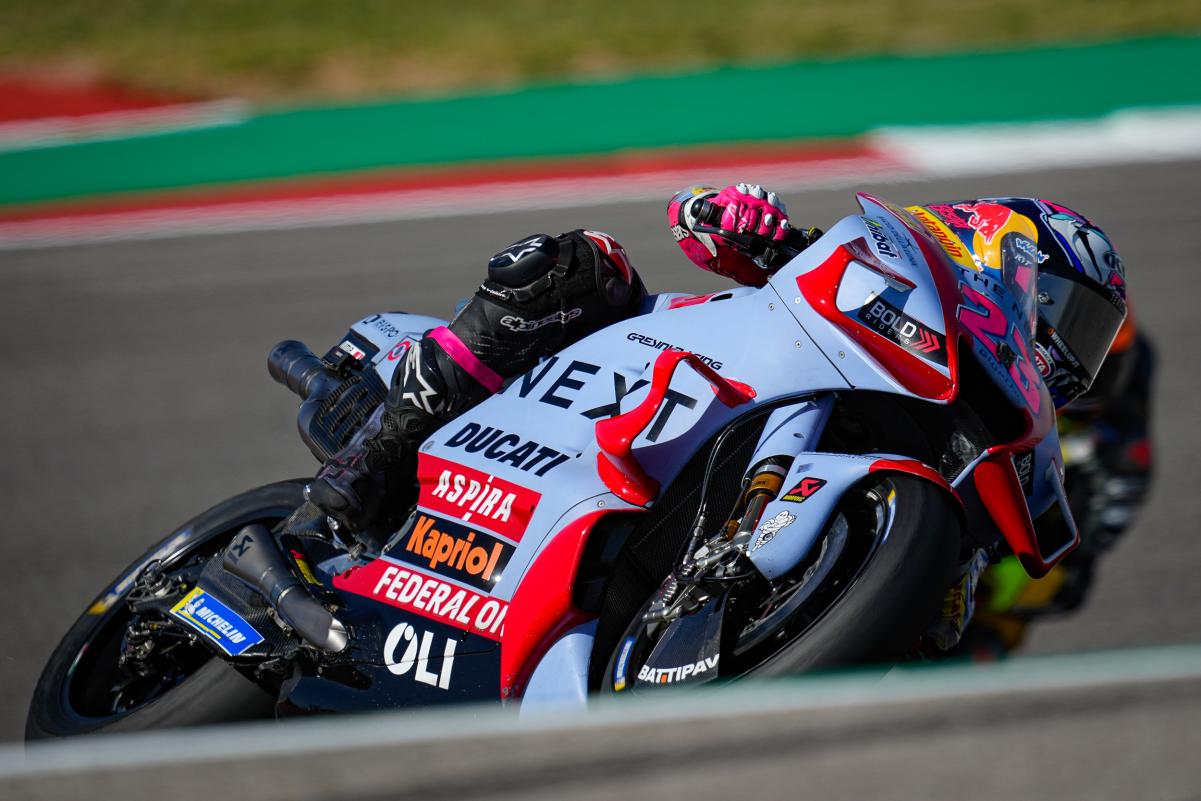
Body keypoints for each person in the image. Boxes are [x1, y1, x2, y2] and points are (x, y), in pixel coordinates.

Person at [299, 185, 1151, 654]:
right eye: (1068, 315)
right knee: (579, 267)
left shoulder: (982, 453)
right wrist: (747, 223)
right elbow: (703, 220)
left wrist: (940, 588)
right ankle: (351, 486)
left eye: (1088, 340)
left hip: (672, 512)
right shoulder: (877, 277)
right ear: (1008, 260)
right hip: (639, 371)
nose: (1067, 356)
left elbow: (956, 615)